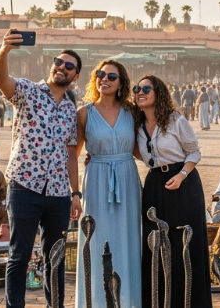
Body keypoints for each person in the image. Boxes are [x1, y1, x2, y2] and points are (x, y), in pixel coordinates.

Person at [0, 31, 83, 308]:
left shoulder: (70, 109)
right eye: (59, 61)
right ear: (52, 64)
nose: (62, 67)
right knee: (19, 254)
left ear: (75, 76)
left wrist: (75, 192)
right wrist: (4, 51)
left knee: (54, 256)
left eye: (69, 66)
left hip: (58, 192)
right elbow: (1, 82)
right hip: (25, 186)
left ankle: (54, 305)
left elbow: (71, 152)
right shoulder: (29, 91)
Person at [135, 74, 212, 308]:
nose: (141, 92)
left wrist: (181, 175)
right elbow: (133, 150)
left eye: (146, 88)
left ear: (158, 92)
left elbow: (194, 152)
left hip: (183, 183)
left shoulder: (175, 120)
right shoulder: (136, 124)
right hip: (154, 185)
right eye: (137, 88)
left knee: (183, 242)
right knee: (154, 242)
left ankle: (189, 301)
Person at [75, 60, 142, 308]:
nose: (105, 79)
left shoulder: (132, 112)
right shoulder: (84, 113)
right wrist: (74, 191)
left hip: (127, 178)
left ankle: (129, 301)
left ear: (121, 83)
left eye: (111, 76)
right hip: (96, 181)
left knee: (128, 238)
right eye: (101, 74)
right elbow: (75, 153)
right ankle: (95, 301)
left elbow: (140, 149)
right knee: (95, 237)